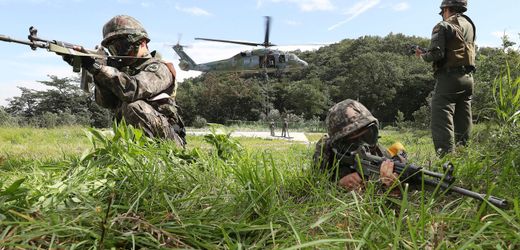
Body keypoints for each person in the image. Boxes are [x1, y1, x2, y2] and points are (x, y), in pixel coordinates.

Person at [64, 15, 186, 147]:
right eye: (113, 49)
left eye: (122, 46)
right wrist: (97, 72)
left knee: (134, 106)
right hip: (133, 141)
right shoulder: (122, 71)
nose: (118, 53)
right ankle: (132, 153)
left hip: (170, 142)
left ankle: (151, 156)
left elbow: (132, 89)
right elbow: (106, 103)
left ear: (142, 42)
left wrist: (98, 69)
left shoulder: (159, 68)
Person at [415, 0, 476, 156]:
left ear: (447, 8)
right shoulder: (470, 25)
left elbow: (437, 54)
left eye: (442, 12)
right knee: (463, 119)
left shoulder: (442, 26)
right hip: (468, 78)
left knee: (441, 118)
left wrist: (422, 56)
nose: (442, 15)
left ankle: (446, 159)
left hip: (450, 78)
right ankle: (464, 156)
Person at [313, 99, 399, 191]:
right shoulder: (326, 151)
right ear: (337, 145)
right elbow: (315, 185)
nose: (363, 147)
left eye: (368, 136)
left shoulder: (379, 153)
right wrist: (338, 185)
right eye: (351, 143)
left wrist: (390, 186)